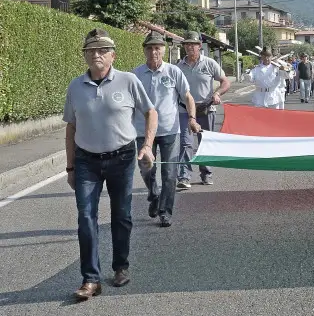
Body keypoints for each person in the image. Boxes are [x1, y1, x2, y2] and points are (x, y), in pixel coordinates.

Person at [63, 29, 158, 300]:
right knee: (85, 217)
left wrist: (148, 146)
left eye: (102, 50)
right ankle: (90, 279)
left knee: (122, 215)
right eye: (91, 51)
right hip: (86, 161)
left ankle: (120, 267)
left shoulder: (128, 81)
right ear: (84, 56)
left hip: (122, 158)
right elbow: (71, 128)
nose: (96, 55)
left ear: (112, 55)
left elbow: (150, 112)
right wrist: (70, 167)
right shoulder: (75, 86)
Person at [132, 32, 201, 227]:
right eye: (150, 48)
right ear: (144, 50)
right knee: (146, 169)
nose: (154, 51)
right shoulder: (135, 75)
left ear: (163, 49)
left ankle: (165, 211)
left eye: (157, 47)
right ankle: (153, 194)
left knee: (170, 174)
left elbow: (187, 97)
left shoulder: (173, 72)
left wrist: (192, 118)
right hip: (143, 132)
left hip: (170, 130)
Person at [177, 31, 230, 189]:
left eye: (193, 44)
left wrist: (217, 93)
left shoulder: (209, 63)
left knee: (204, 143)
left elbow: (225, 82)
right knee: (185, 144)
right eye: (187, 44)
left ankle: (206, 173)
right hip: (184, 110)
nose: (189, 47)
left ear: (200, 46)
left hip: (206, 109)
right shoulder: (178, 66)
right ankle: (184, 176)